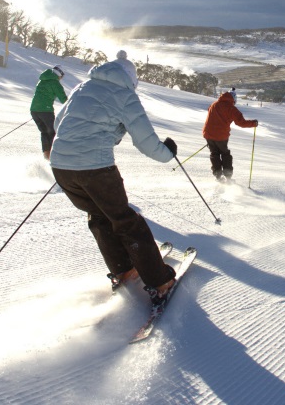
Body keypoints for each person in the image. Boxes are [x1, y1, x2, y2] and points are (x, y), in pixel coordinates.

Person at [50, 50, 179, 304]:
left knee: (100, 217)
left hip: (61, 166)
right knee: (127, 222)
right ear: (131, 80)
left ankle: (124, 268)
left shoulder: (83, 86)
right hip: (95, 169)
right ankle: (160, 280)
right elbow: (146, 142)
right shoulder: (125, 95)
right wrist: (168, 153)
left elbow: (57, 124)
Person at [202, 88, 258, 180]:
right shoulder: (231, 109)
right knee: (225, 153)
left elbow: (210, 111)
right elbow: (241, 122)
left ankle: (218, 175)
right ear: (233, 100)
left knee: (214, 153)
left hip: (208, 134)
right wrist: (253, 123)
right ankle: (228, 176)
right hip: (221, 135)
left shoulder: (214, 104)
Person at [30, 65, 68, 160]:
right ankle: (55, 157)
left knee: (44, 132)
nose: (61, 78)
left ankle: (47, 156)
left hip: (34, 110)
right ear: (60, 74)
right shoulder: (55, 83)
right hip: (45, 111)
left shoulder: (42, 80)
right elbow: (64, 99)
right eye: (62, 76)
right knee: (52, 132)